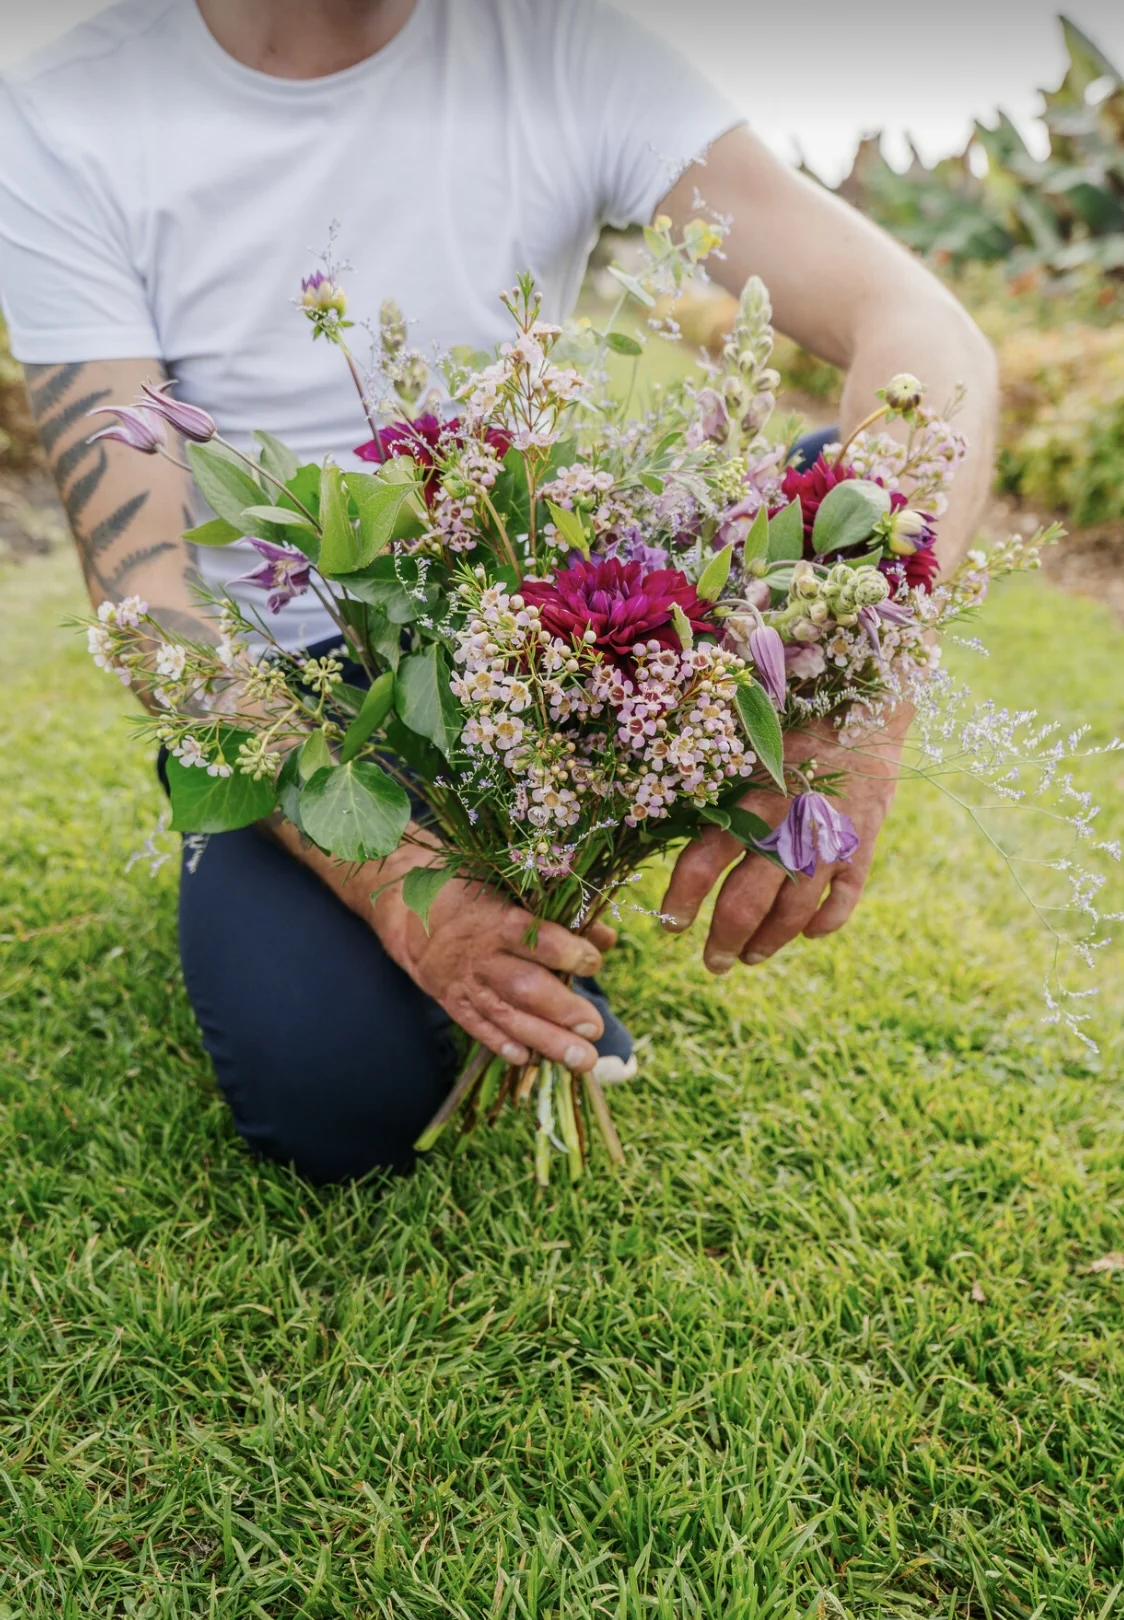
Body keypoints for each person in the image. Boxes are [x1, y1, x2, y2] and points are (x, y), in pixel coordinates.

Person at [0, 0, 998, 1184]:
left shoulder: (563, 45)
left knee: (836, 498)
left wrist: (857, 686)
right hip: (290, 682)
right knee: (338, 1104)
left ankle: (547, 857)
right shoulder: (67, 112)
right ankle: (505, 887)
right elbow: (149, 595)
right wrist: (391, 887)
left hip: (528, 629)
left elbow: (929, 333)